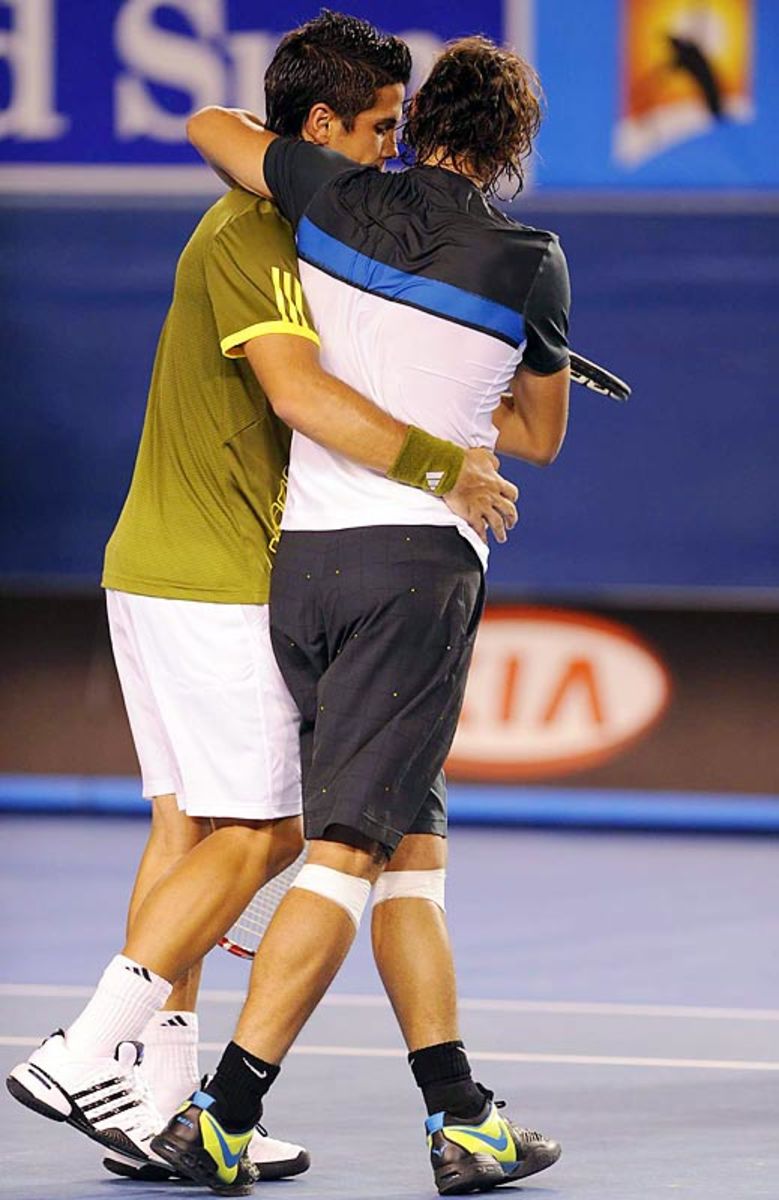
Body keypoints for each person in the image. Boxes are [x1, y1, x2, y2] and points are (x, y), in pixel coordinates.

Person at [6, 12, 518, 1189]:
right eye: (379, 130)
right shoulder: (257, 233)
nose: (393, 153)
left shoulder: (316, 228)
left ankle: (157, 1095)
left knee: (190, 828)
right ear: (320, 128)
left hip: (162, 564)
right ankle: (84, 1048)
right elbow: (300, 398)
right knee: (273, 829)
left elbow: (217, 127)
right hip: (215, 570)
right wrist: (452, 467)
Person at [151, 33, 571, 1197]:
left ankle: (461, 1115)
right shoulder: (530, 259)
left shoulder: (329, 193)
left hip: (305, 571)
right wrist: (515, 359)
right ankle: (224, 1113)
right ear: (508, 149)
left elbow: (214, 131)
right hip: (412, 579)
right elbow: (533, 439)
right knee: (342, 857)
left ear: (420, 117)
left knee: (408, 859)